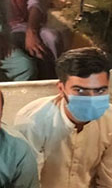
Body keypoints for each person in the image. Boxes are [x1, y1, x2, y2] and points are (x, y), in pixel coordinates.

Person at [15, 47, 112, 188]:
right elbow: (29, 182)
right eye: (80, 91)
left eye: (100, 90)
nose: (91, 99)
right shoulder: (33, 121)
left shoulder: (110, 121)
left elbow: (108, 181)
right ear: (61, 89)